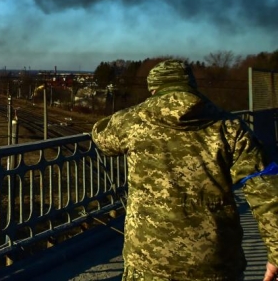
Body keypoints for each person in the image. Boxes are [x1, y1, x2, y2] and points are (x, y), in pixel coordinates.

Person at [92, 59, 278, 281]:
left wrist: (134, 112)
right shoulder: (230, 127)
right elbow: (265, 189)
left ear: (153, 89)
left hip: (148, 260)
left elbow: (101, 136)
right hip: (216, 262)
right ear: (191, 85)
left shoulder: (132, 122)